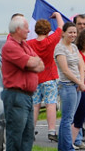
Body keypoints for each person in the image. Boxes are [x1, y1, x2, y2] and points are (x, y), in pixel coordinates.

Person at [1, 14, 44, 151]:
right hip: (16, 96)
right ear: (18, 29)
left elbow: (40, 64)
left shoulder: (24, 45)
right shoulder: (10, 46)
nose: (29, 31)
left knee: (28, 135)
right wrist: (31, 62)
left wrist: (32, 62)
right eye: (26, 28)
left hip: (27, 96)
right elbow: (32, 61)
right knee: (16, 135)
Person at [27, 12, 64, 143]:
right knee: (50, 104)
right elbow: (61, 27)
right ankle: (51, 131)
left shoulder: (29, 44)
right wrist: (57, 15)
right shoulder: (51, 41)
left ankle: (31, 130)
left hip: (35, 79)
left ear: (35, 30)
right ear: (48, 30)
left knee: (35, 106)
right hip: (49, 77)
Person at [54, 22, 84, 151]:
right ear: (63, 33)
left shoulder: (74, 47)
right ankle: (68, 148)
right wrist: (79, 82)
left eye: (74, 32)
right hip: (67, 86)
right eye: (70, 32)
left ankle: (63, 148)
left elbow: (81, 65)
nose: (73, 35)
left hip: (77, 86)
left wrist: (81, 81)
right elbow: (65, 70)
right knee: (67, 119)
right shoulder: (60, 48)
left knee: (70, 118)